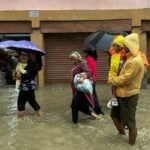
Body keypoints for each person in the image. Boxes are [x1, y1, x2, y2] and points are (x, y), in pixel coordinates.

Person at [108, 33, 144, 145]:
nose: (123, 47)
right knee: (113, 115)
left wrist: (112, 79)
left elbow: (125, 79)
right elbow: (121, 73)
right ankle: (122, 135)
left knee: (130, 123)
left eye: (125, 45)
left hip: (129, 95)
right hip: (120, 94)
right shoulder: (128, 57)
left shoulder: (135, 61)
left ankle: (131, 145)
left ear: (131, 45)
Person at [69, 51, 101, 124]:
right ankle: (96, 117)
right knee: (80, 106)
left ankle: (74, 124)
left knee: (74, 105)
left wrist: (83, 78)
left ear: (77, 58)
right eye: (71, 59)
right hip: (77, 89)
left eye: (73, 59)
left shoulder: (82, 64)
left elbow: (89, 72)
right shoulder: (76, 66)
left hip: (81, 89)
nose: (72, 61)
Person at [16, 52, 43, 118]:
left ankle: (20, 122)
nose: (28, 54)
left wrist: (19, 76)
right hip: (29, 86)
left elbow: (27, 75)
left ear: (34, 54)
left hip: (26, 86)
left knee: (21, 103)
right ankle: (41, 117)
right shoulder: (31, 63)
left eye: (30, 53)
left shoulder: (34, 65)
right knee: (32, 102)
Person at [82, 47, 104, 115]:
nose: (83, 54)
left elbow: (90, 71)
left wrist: (84, 76)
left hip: (91, 80)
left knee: (93, 96)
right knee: (92, 95)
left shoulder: (89, 59)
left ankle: (98, 110)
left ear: (87, 53)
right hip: (93, 80)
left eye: (84, 52)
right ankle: (96, 110)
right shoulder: (91, 59)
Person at [107, 35, 127, 108]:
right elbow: (111, 64)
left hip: (119, 76)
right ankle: (114, 97)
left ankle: (115, 98)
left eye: (114, 45)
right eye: (113, 45)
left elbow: (122, 65)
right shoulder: (114, 53)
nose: (113, 47)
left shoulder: (124, 55)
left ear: (120, 46)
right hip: (113, 75)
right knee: (113, 86)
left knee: (115, 87)